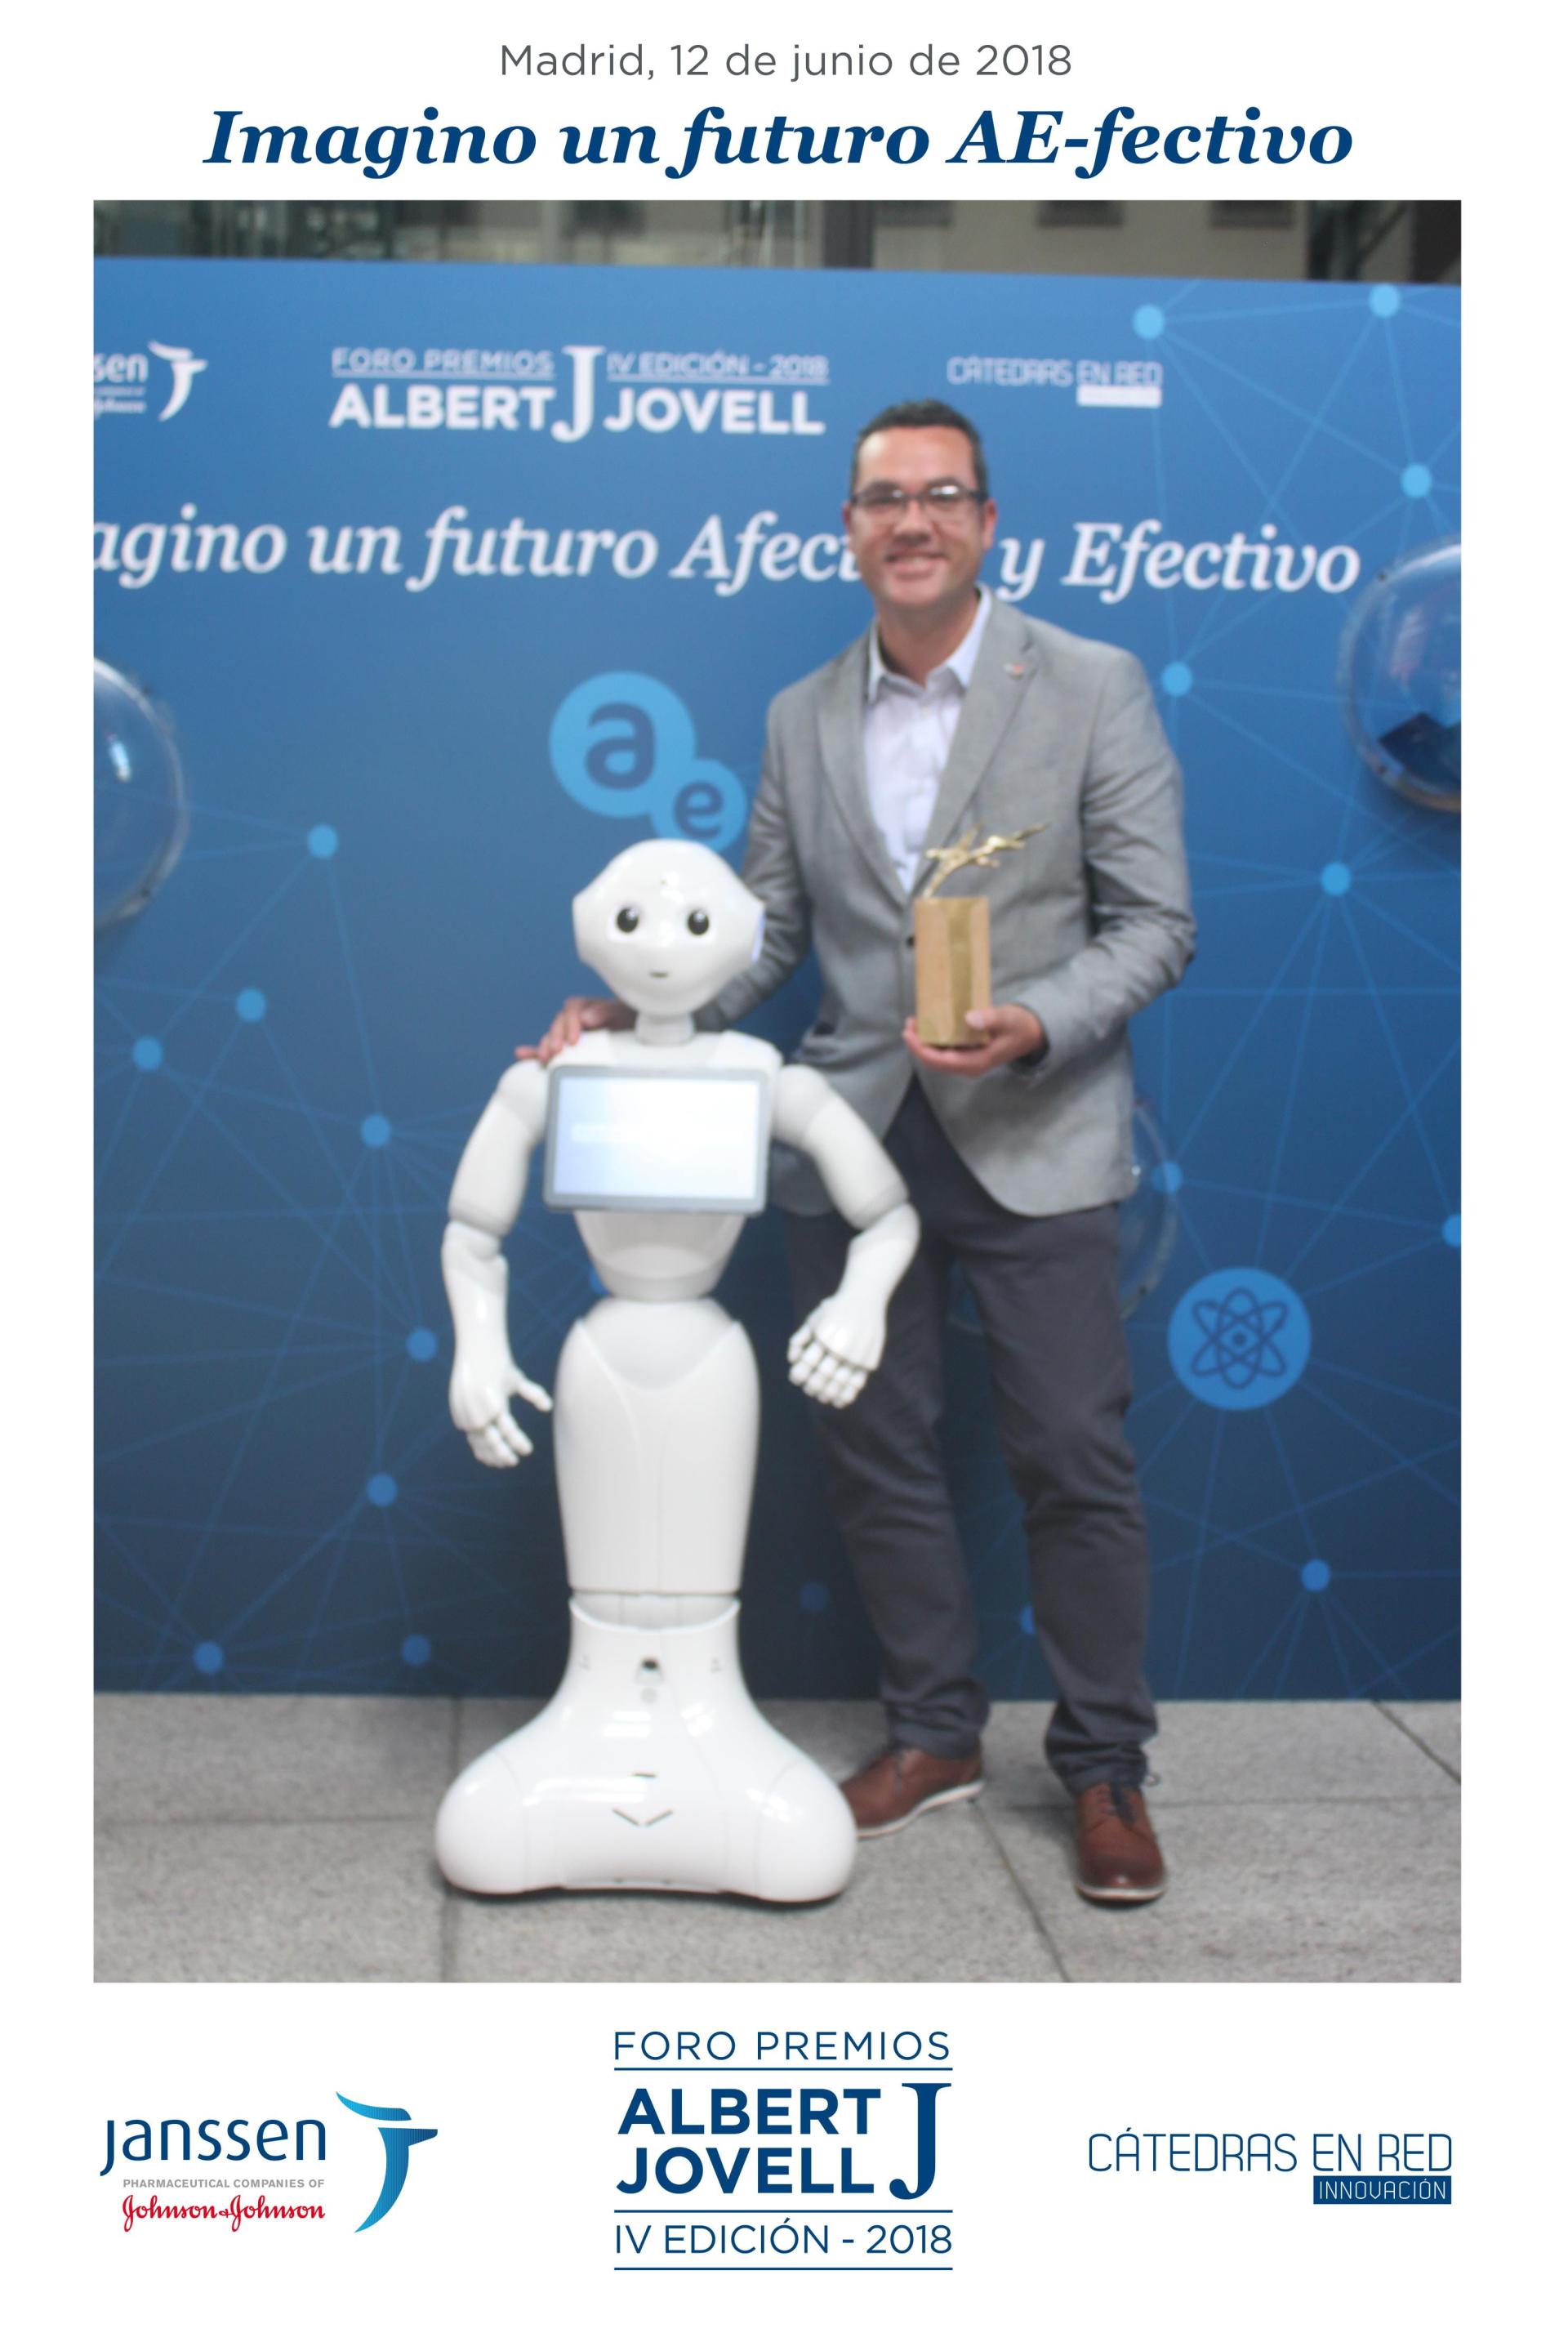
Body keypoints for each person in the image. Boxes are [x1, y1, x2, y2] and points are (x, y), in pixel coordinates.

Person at [525, 399, 1195, 1904]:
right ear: (849, 529)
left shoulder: (1090, 685)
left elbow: (1159, 924)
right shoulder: (801, 716)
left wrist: (1036, 1021)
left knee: (1072, 1456)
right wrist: (636, 1008)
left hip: (1037, 1130)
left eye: (942, 495)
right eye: (885, 498)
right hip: (852, 1143)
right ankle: (934, 1734)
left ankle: (1106, 1768)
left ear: (987, 523)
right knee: (877, 1453)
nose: (913, 521)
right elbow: (762, 937)